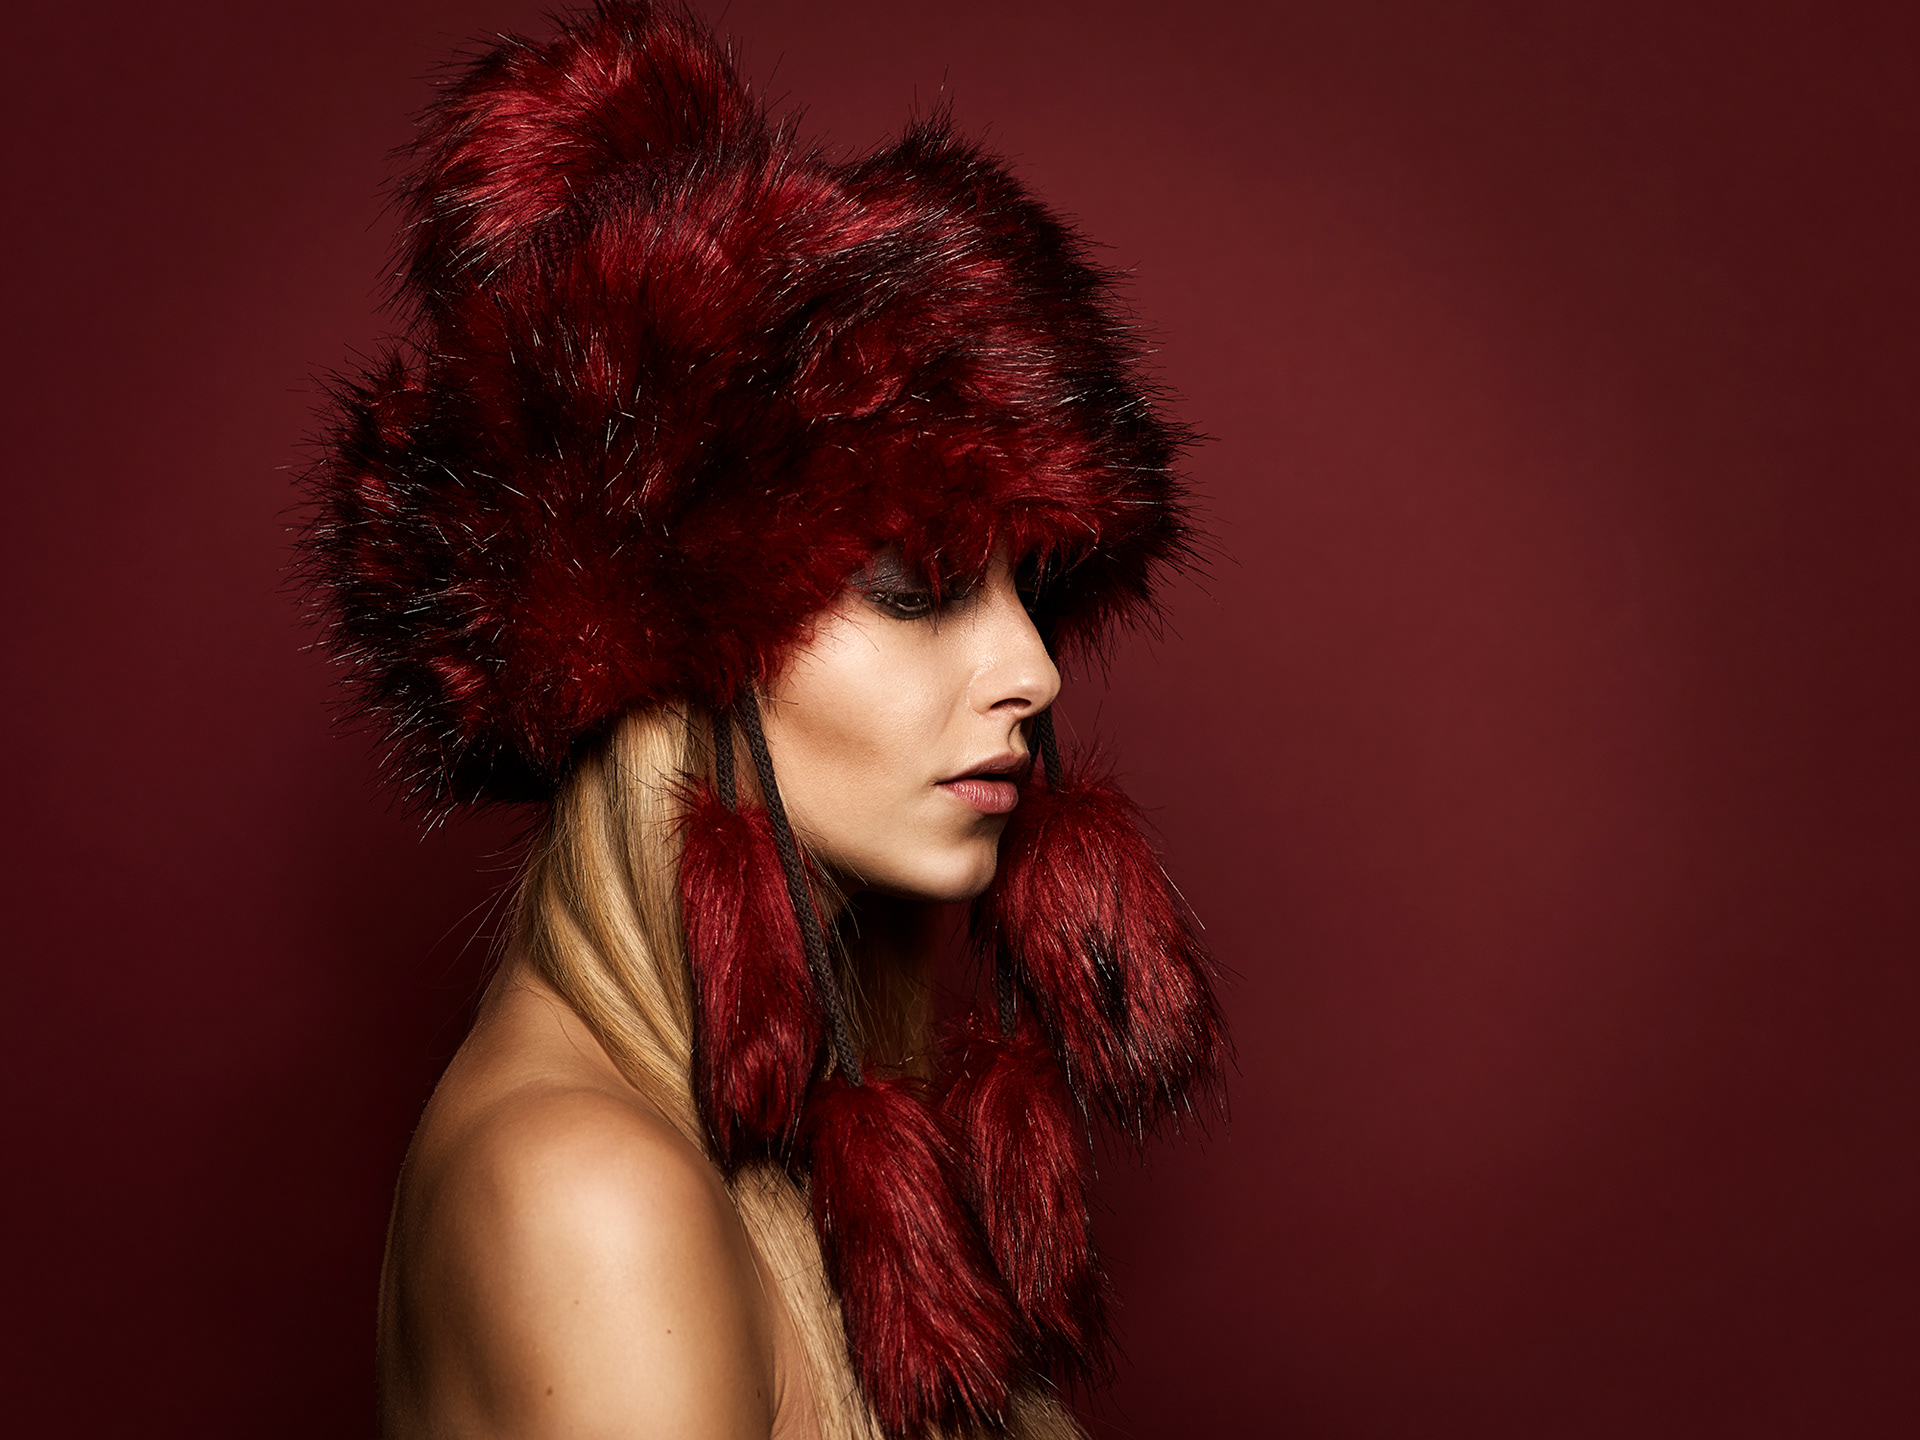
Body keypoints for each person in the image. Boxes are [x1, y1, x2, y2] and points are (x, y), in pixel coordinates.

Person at [301, 4, 1225, 1437]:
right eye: (919, 588)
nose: (1034, 672)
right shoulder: (588, 1198)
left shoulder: (793, 1152)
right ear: (676, 662)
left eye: (1028, 591)